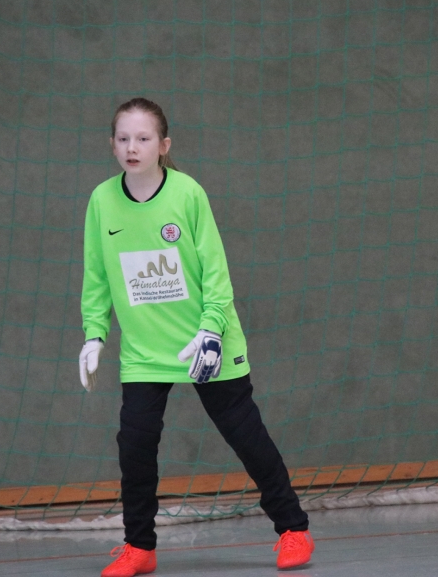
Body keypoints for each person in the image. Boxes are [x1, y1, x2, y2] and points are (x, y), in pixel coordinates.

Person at [78, 97, 313, 577]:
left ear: (163, 145)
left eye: (143, 138)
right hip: (145, 352)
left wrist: (211, 329)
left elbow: (216, 273)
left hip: (207, 341)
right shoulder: (101, 200)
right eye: (123, 138)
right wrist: (94, 334)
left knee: (246, 436)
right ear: (112, 145)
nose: (132, 147)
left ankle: (293, 529)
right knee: (135, 445)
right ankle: (139, 546)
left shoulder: (187, 194)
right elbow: (96, 275)